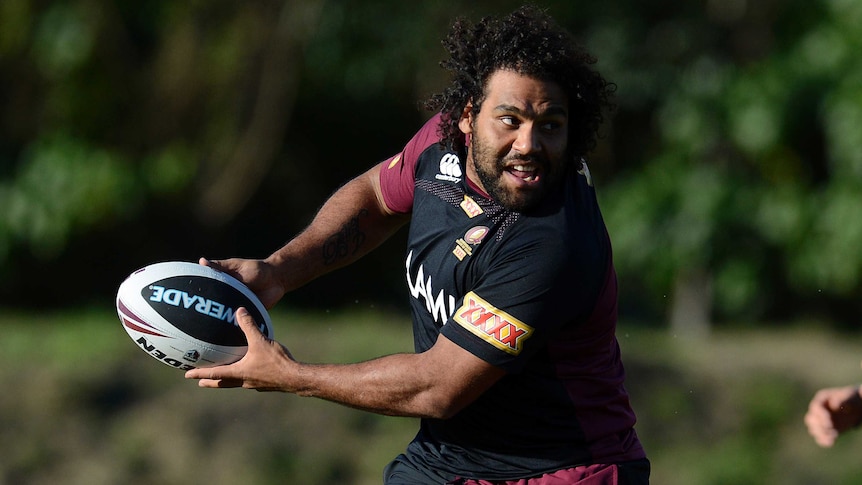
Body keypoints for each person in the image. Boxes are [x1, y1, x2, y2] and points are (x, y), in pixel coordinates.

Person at [186, 5, 649, 484]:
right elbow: (374, 198)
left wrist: (291, 376)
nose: (529, 144)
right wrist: (280, 270)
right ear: (468, 117)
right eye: (509, 120)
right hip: (447, 458)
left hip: (562, 470)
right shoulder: (441, 144)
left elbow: (437, 387)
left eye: (550, 125)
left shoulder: (551, 242)